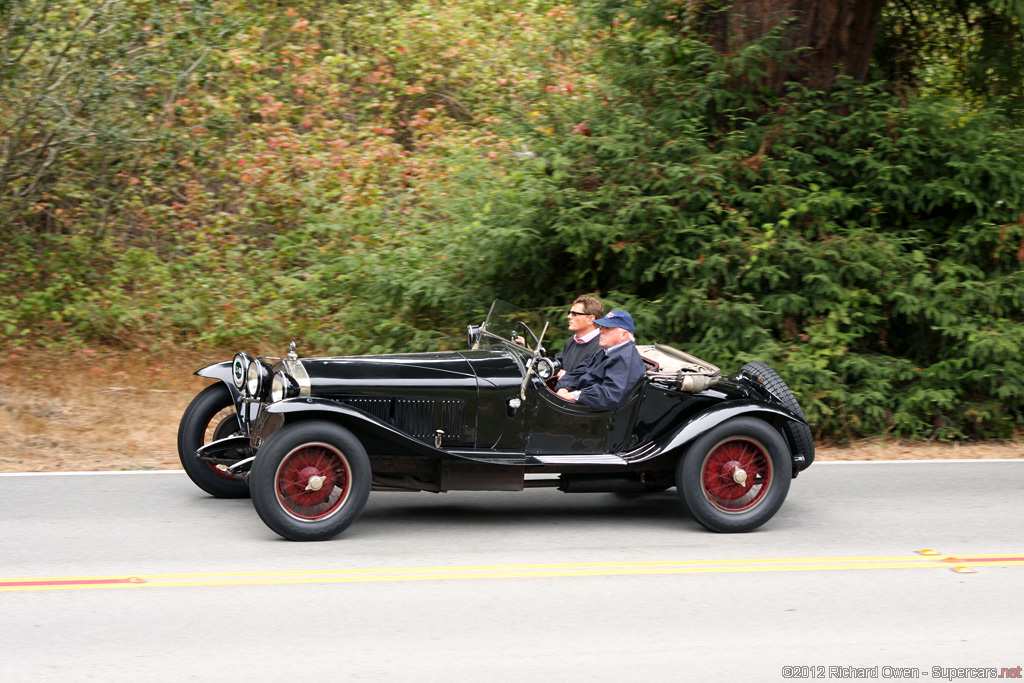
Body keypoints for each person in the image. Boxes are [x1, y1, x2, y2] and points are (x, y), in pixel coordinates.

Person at [555, 310, 647, 411]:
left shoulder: (625, 359)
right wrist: (563, 388)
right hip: (582, 407)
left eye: (607, 328)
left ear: (624, 335)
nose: (601, 331)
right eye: (602, 327)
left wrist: (574, 395)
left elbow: (610, 395)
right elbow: (579, 371)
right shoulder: (605, 351)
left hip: (598, 417)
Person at [555, 295, 604, 376]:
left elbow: (592, 379)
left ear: (591, 319)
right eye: (569, 313)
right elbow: (553, 365)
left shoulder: (602, 346)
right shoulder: (571, 341)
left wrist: (565, 375)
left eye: (574, 314)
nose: (568, 317)